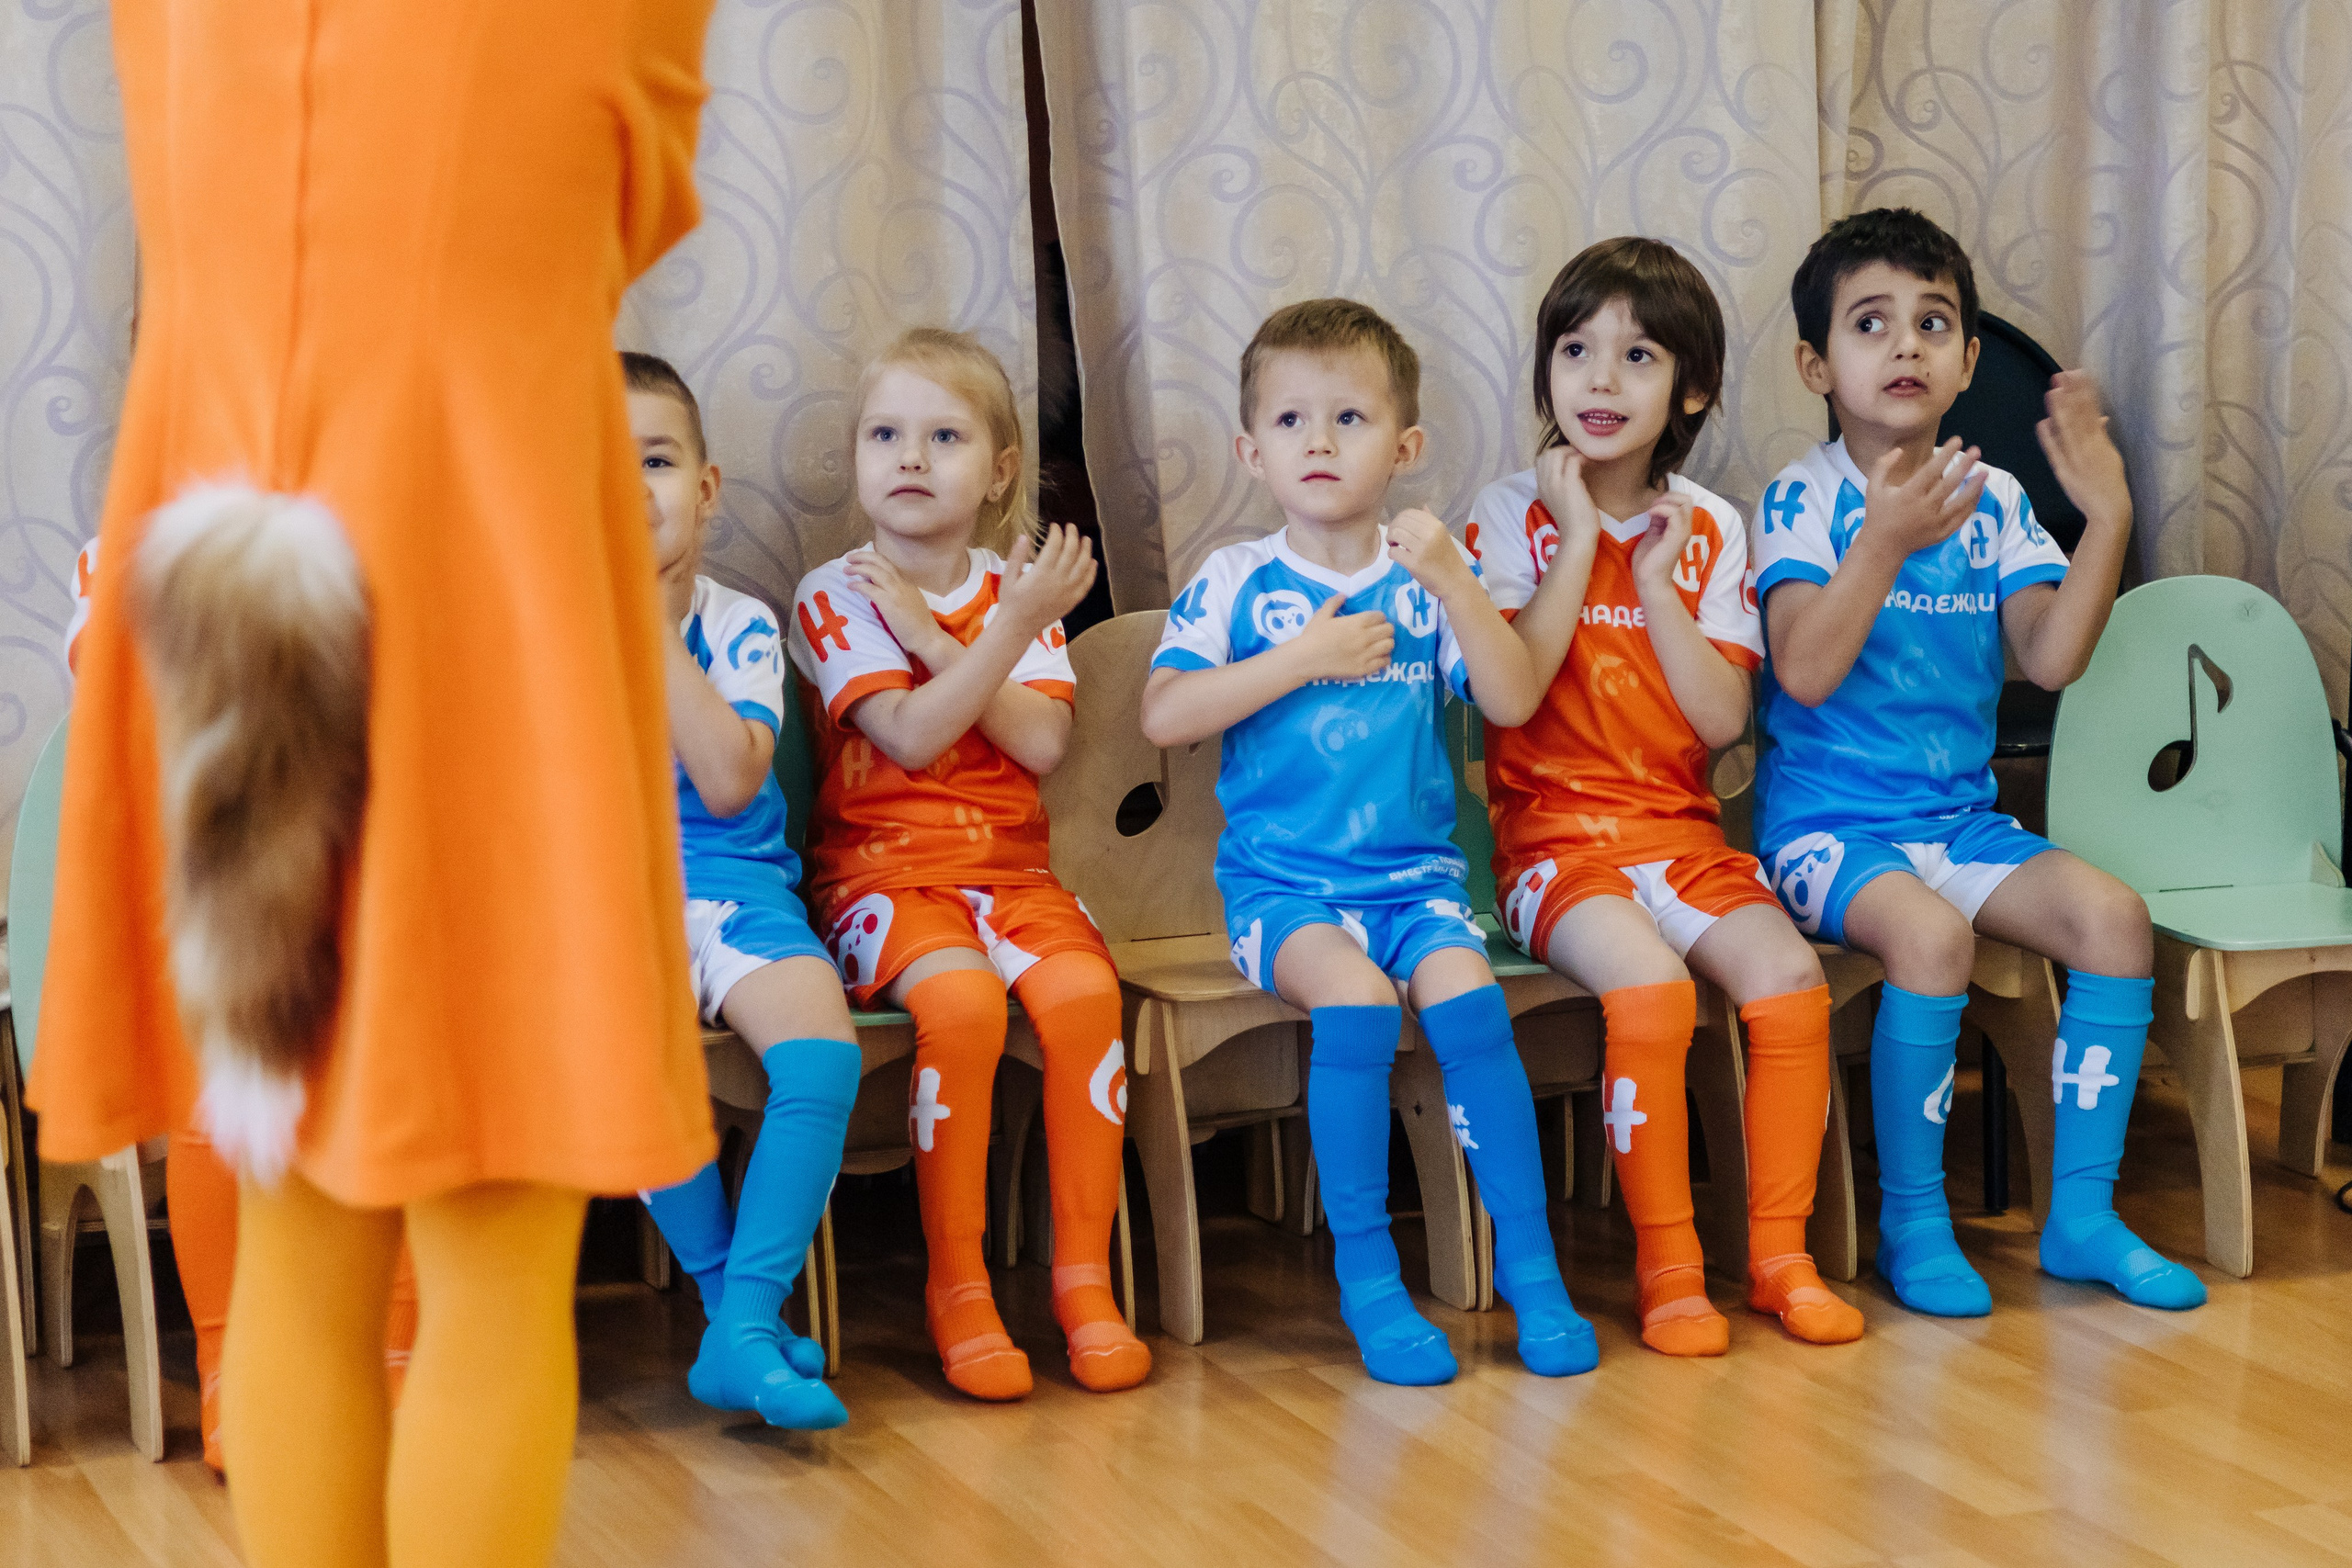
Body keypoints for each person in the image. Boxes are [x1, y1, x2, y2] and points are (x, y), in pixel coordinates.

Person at [28, 5, 722, 1562]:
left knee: (295, 1219)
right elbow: (635, 183)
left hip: (234, 563)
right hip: (482, 570)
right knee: (494, 1231)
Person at [1754, 207, 2205, 1316]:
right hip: (1826, 833)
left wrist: (2105, 516)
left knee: (2111, 917)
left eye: (1931, 323)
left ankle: (2082, 1219)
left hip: (1958, 826)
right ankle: (1915, 1222)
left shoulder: (1994, 498)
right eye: (1871, 323)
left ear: (1964, 362)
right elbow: (1802, 672)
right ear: (1819, 362)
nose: (1904, 344)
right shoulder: (1798, 498)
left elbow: (2051, 661)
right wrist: (1882, 541)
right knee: (1928, 932)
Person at [1139, 299, 1592, 1386]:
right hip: (1281, 893)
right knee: (1352, 1007)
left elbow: (1515, 693)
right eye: (1292, 421)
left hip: (1416, 886)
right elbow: (1164, 715)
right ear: (1253, 451)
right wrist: (1304, 656)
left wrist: (1450, 581)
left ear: (1405, 447)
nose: (1321, 441)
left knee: (1472, 1003)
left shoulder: (1422, 577)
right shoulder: (1237, 583)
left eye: (1349, 417)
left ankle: (1532, 1273)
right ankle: (1370, 1284)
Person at [1470, 237, 1863, 1355]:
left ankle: (1779, 1260)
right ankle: (1669, 1268)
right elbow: (1511, 697)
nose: (1599, 380)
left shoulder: (1707, 526)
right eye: (1576, 350)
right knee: (1649, 993)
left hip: (1678, 837)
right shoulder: (1508, 514)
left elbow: (1722, 723)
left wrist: (1651, 585)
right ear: (1545, 371)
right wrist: (1580, 542)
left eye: (1636, 356)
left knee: (1787, 981)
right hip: (1552, 850)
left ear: (1687, 388)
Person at [787, 328, 1149, 1401]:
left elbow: (1040, 745)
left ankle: (1083, 1285)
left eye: (942, 436)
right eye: (885, 434)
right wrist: (1000, 638)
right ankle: (960, 1288)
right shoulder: (836, 588)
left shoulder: (1015, 586)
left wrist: (957, 635)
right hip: (880, 882)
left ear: (996, 472)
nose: (908, 456)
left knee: (1088, 998)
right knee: (963, 1007)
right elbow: (905, 734)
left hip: (1013, 877)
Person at [625, 353, 860, 1430]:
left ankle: (743, 1320)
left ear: (704, 488)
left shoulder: (741, 625)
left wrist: (644, 623)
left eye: (655, 461)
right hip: (605, 904)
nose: (626, 489)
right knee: (628, 1051)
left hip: (734, 886)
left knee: (821, 1054)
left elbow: (727, 780)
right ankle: (738, 1320)